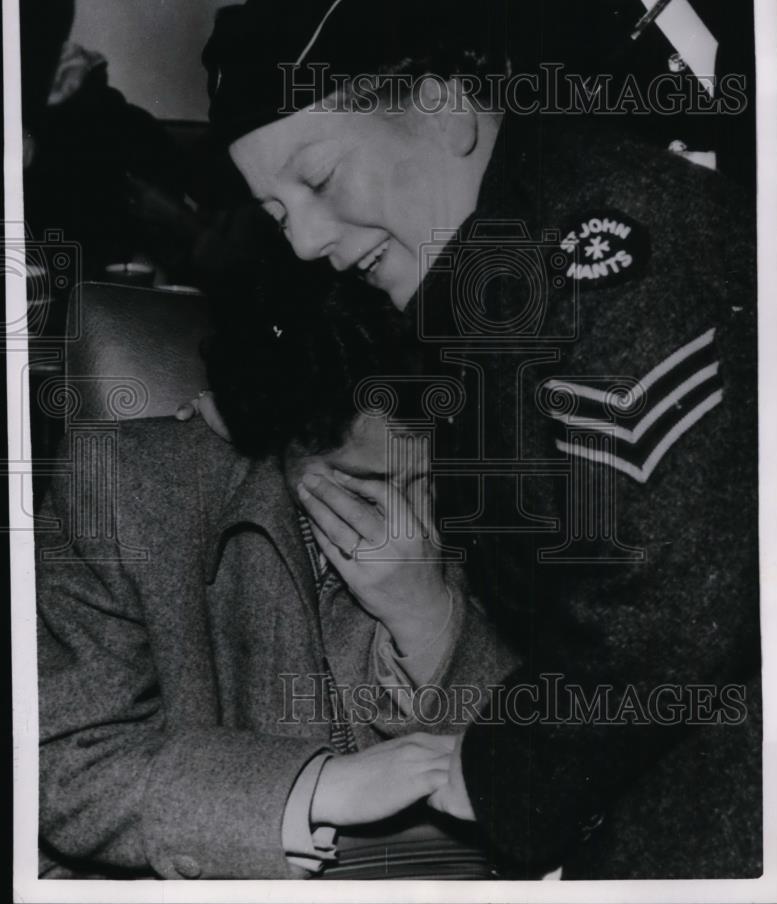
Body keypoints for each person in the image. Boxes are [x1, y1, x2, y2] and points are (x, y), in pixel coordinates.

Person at [194, 0, 762, 878]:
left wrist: (498, 769)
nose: (304, 239)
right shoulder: (497, 264)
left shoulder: (607, 252)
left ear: (442, 108)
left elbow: (669, 607)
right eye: (274, 210)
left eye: (321, 178)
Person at [36, 244, 514, 879]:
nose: (407, 523)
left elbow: (543, 761)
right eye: (365, 483)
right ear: (273, 433)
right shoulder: (122, 487)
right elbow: (67, 765)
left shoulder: (490, 492)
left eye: (427, 477)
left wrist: (425, 614)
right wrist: (317, 788)